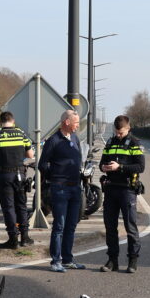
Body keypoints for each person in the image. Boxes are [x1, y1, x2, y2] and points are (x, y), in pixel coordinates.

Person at [39, 109, 85, 272]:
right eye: (76, 122)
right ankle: (55, 261)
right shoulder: (53, 141)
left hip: (75, 188)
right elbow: (42, 164)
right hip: (60, 188)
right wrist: (57, 175)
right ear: (66, 122)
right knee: (59, 225)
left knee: (71, 225)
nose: (78, 125)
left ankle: (67, 259)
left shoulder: (74, 138)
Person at [98, 115, 145, 273]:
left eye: (121, 132)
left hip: (127, 190)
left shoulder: (134, 143)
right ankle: (112, 260)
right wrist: (104, 167)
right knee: (110, 227)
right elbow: (101, 162)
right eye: (117, 132)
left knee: (130, 227)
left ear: (128, 128)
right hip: (111, 189)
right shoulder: (110, 142)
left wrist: (120, 167)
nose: (118, 135)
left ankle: (133, 260)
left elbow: (140, 167)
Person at [0, 111, 34, 249]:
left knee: (9, 208)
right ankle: (25, 238)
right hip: (20, 175)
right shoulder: (21, 134)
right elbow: (30, 154)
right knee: (22, 206)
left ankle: (13, 239)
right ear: (13, 121)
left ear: (1, 122)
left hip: (4, 176)